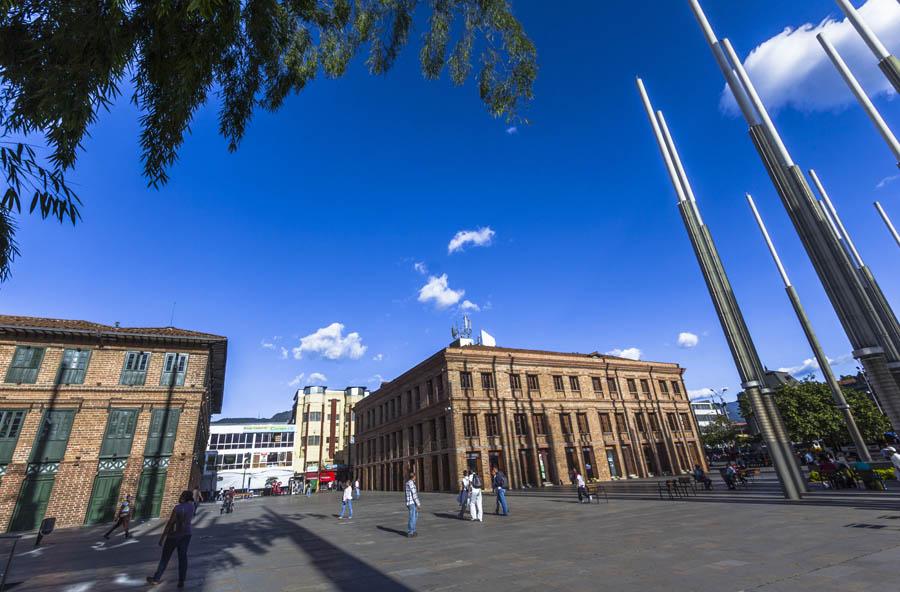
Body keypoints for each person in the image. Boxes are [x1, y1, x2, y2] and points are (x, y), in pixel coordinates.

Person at [147, 491, 195, 588]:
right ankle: (181, 580)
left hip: (174, 535)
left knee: (165, 558)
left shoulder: (177, 508)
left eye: (181, 496)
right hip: (186, 534)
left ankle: (156, 579)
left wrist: (162, 537)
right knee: (182, 558)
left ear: (184, 498)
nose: (179, 497)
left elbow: (170, 523)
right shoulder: (192, 507)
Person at [405, 473, 421, 538]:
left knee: (414, 516)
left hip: (410, 502)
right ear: (413, 477)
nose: (415, 478)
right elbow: (414, 494)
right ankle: (410, 531)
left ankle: (413, 530)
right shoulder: (411, 483)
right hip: (411, 503)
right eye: (415, 477)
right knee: (412, 517)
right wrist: (418, 503)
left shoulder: (408, 483)